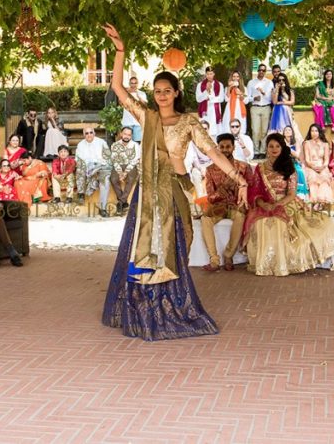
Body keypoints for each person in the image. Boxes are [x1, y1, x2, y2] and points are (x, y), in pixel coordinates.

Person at [101, 24, 247, 341]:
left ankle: (172, 303)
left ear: (177, 93)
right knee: (141, 246)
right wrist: (120, 51)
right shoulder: (147, 117)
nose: (162, 95)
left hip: (177, 188)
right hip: (148, 191)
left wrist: (238, 177)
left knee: (176, 246)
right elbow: (117, 87)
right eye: (158, 91)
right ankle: (142, 305)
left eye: (167, 90)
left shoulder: (189, 121)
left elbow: (212, 153)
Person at [241, 133, 334, 277]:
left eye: (277, 146)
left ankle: (284, 263)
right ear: (266, 148)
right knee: (261, 223)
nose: (274, 149)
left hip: (287, 203)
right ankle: (267, 264)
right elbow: (255, 191)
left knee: (283, 223)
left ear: (282, 148)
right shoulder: (260, 168)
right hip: (265, 205)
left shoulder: (289, 167)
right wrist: (263, 204)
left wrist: (277, 204)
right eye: (271, 146)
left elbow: (292, 193)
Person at [200, 133, 253, 272]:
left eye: (228, 146)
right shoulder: (210, 170)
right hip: (219, 206)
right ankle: (214, 260)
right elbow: (210, 197)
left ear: (233, 147)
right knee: (205, 219)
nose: (225, 149)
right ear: (217, 148)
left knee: (240, 216)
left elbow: (251, 189)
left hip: (237, 206)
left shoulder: (243, 167)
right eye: (222, 147)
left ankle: (228, 255)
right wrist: (223, 189)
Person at [75, 126, 112, 217]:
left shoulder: (102, 142)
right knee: (80, 167)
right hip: (88, 169)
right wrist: (89, 167)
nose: (89, 135)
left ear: (94, 133)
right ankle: (81, 193)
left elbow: (107, 158)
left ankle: (102, 208)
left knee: (105, 180)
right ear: (84, 135)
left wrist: (98, 167)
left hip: (101, 167)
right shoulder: (80, 145)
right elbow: (78, 159)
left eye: (91, 132)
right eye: (86, 133)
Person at [301, 123, 334, 208]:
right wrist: (313, 167)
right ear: (310, 132)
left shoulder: (325, 144)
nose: (314, 133)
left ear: (319, 132)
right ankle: (315, 201)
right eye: (312, 131)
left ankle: (322, 202)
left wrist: (322, 167)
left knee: (324, 177)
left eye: (316, 131)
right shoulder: (306, 143)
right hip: (310, 166)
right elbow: (307, 159)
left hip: (322, 166)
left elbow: (326, 160)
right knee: (313, 178)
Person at [110, 126, 141, 214]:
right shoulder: (115, 145)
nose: (126, 136)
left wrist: (125, 172)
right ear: (121, 134)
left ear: (131, 136)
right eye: (125, 134)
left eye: (129, 135)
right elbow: (114, 160)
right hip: (118, 166)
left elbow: (135, 160)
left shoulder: (135, 145)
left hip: (131, 166)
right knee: (113, 179)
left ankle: (120, 202)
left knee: (131, 179)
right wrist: (120, 172)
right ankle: (124, 202)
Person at [245, 64, 273, 155]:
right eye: (260, 70)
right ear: (257, 70)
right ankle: (256, 151)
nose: (261, 72)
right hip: (255, 108)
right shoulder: (251, 82)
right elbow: (247, 98)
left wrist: (263, 93)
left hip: (266, 107)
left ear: (265, 72)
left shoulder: (269, 83)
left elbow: (271, 98)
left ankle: (263, 151)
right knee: (255, 130)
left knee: (264, 131)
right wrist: (253, 98)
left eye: (263, 70)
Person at [312, 69, 334, 133]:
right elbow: (317, 96)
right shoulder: (320, 84)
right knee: (321, 106)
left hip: (332, 100)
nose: (328, 75)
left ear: (332, 75)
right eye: (327, 74)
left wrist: (330, 99)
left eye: (330, 74)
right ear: (325, 75)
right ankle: (322, 126)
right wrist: (326, 98)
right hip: (322, 100)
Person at [195, 66, 225, 131]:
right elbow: (198, 99)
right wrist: (206, 90)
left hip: (215, 110)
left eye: (211, 74)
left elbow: (221, 98)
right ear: (205, 74)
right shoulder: (200, 85)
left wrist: (210, 98)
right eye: (208, 74)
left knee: (215, 130)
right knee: (204, 129)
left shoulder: (219, 85)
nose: (209, 76)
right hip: (204, 111)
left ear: (214, 74)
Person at [282, 125, 308, 200]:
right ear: (283, 133)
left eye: (289, 130)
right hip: (284, 163)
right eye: (286, 130)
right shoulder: (281, 142)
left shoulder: (295, 142)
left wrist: (287, 147)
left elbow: (297, 155)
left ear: (292, 132)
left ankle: (300, 193)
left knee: (299, 171)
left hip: (294, 162)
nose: (287, 131)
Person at [122, 77, 148, 142]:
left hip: (138, 123)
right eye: (132, 83)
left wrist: (138, 97)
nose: (133, 85)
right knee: (126, 143)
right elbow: (121, 103)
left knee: (137, 143)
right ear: (129, 84)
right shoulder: (125, 93)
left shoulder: (142, 93)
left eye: (135, 83)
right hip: (127, 122)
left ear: (137, 84)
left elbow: (145, 105)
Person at [221, 71, 248, 135]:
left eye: (237, 76)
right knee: (228, 125)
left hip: (240, 109)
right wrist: (230, 87)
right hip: (230, 109)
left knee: (240, 126)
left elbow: (246, 101)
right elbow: (226, 99)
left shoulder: (244, 88)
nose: (236, 78)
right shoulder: (227, 88)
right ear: (231, 78)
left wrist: (240, 94)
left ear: (240, 78)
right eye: (234, 76)